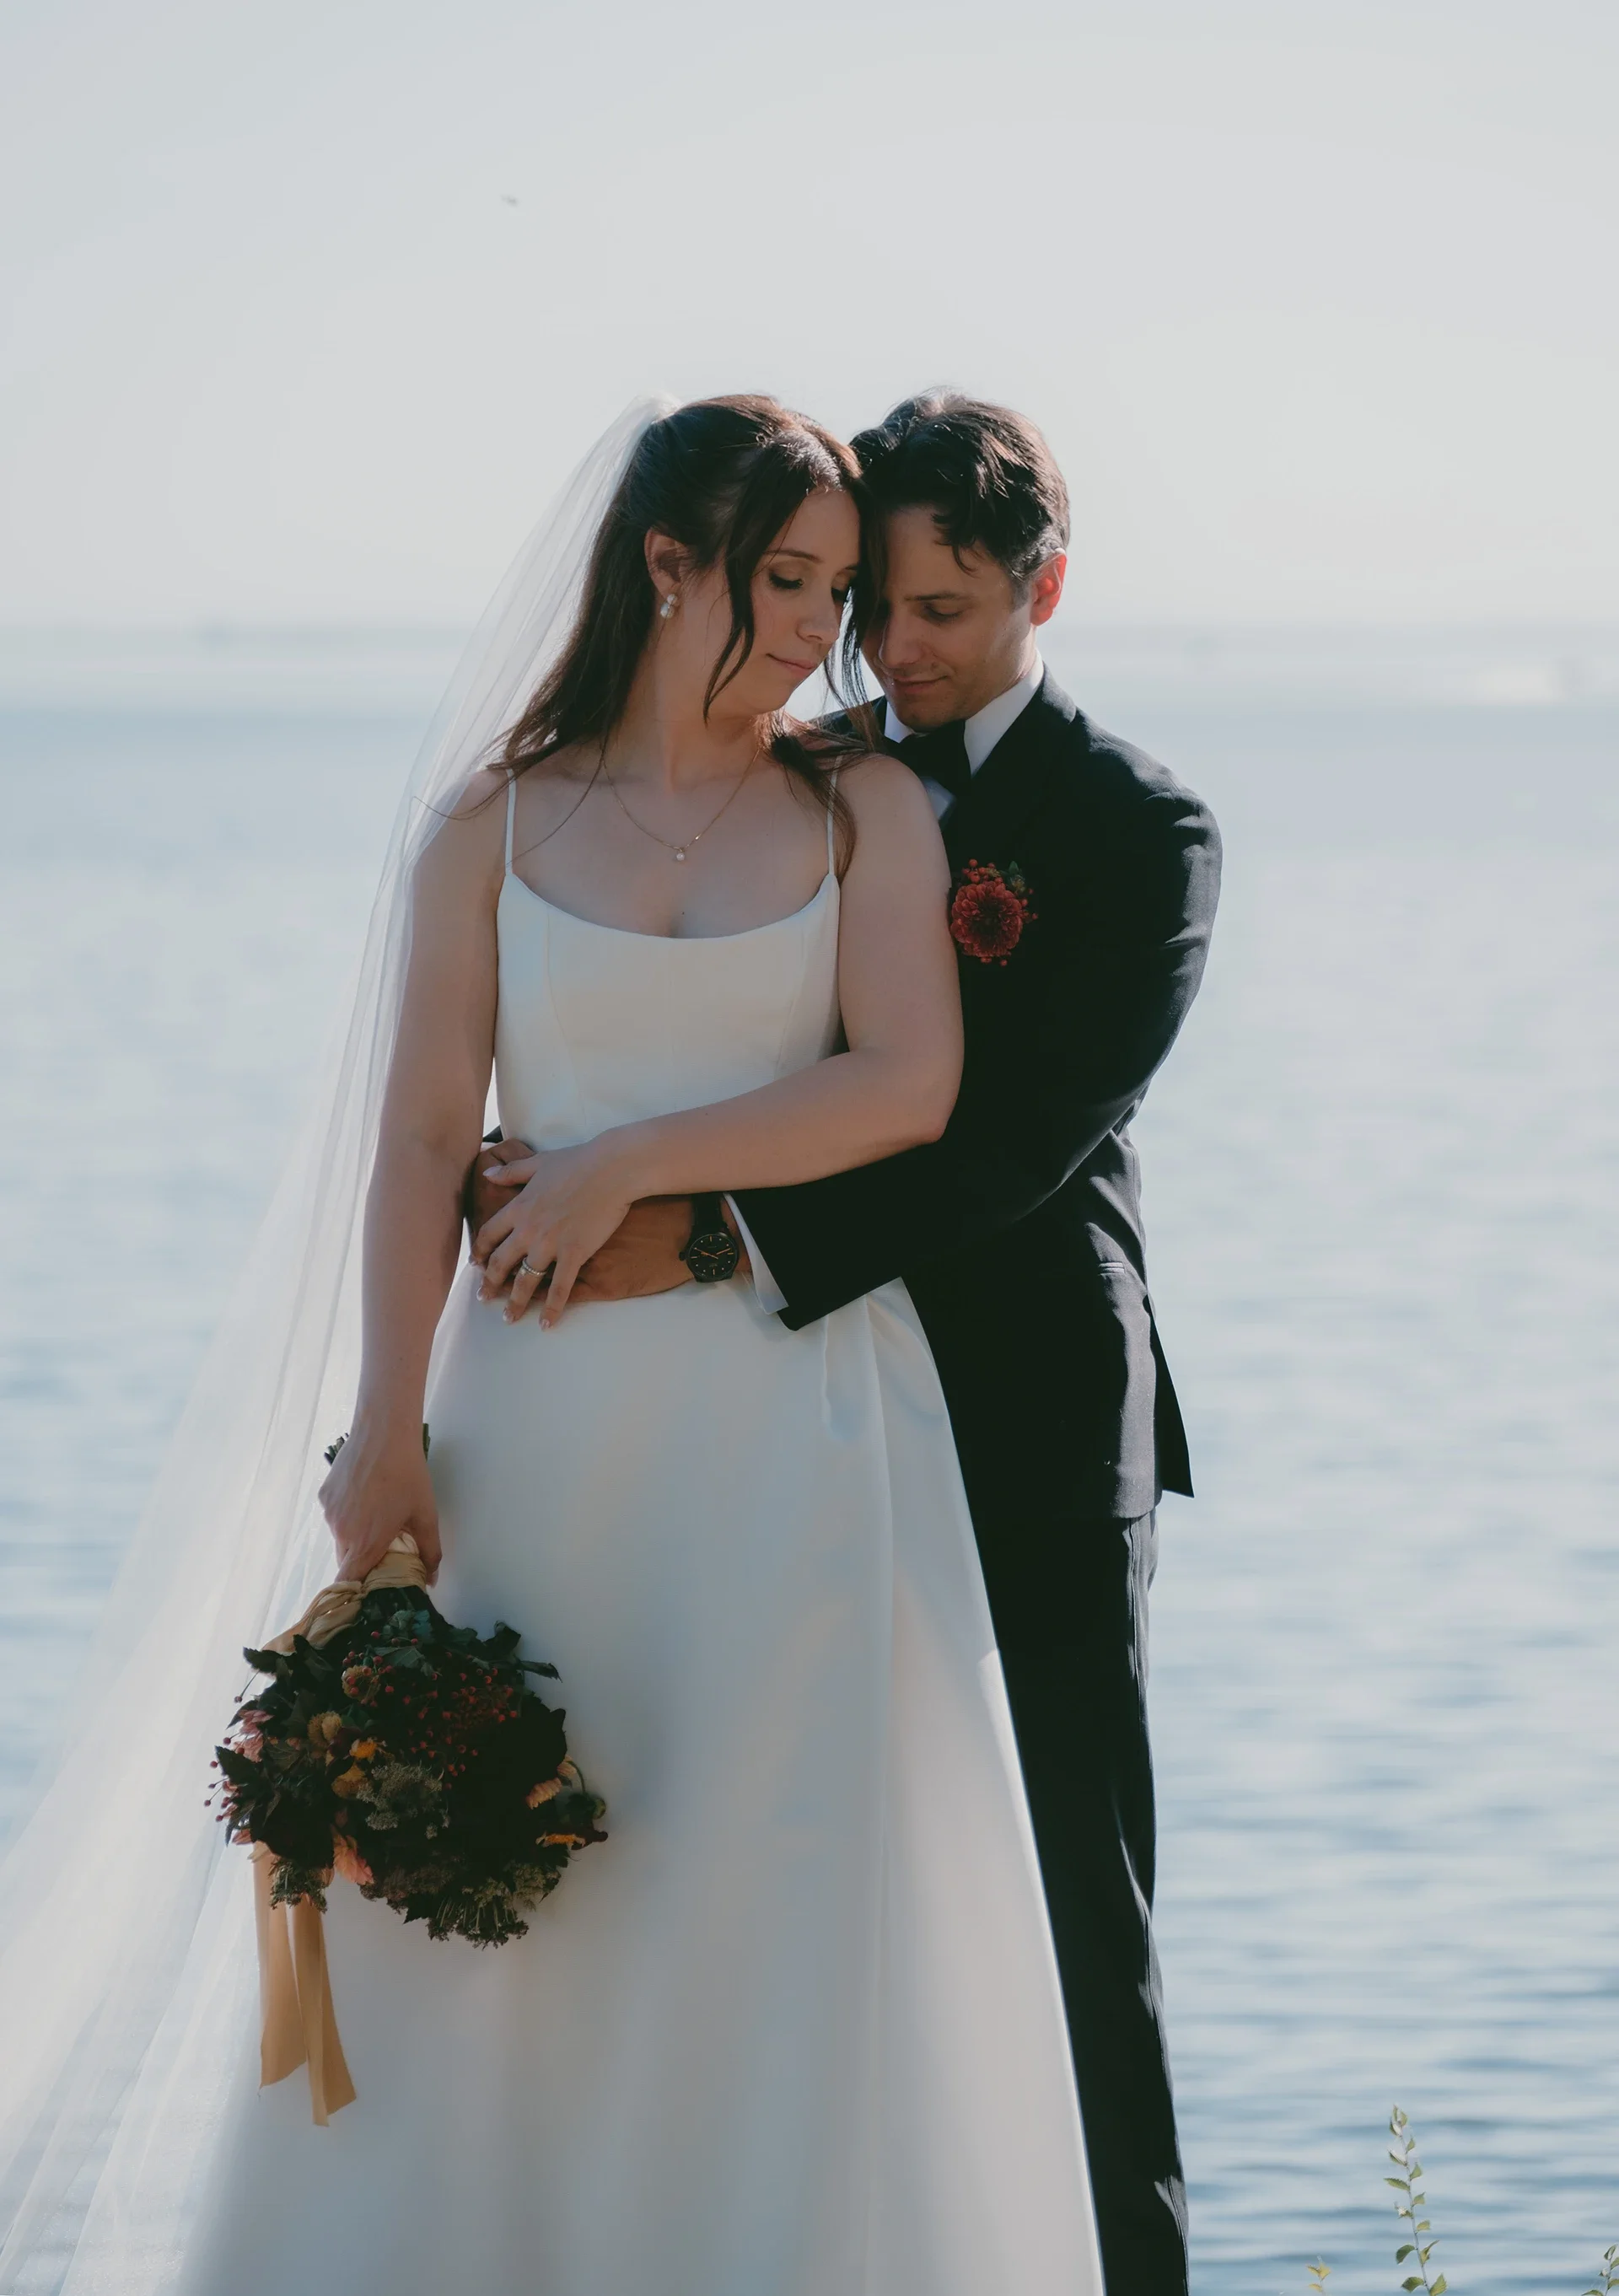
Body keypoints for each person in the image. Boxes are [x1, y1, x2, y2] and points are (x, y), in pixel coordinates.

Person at [167, 397, 1104, 2295]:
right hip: (542, 1435)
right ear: (664, 565)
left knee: (776, 1895)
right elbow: (426, 1142)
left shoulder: (863, 807)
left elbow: (910, 1085)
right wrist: (385, 1429)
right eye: (780, 583)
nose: (810, 633)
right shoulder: (490, 830)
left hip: (804, 1434)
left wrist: (621, 1162)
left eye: (837, 593)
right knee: (531, 1913)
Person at [474, 393, 1222, 2296]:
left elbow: (1006, 1139)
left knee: (1065, 1905)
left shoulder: (1144, 831)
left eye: (947, 611)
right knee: (794, 1874)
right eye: (875, 603)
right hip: (782, 1413)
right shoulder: (806, 778)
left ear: (1049, 585)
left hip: (1028, 1409)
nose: (893, 648)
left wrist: (704, 1235)